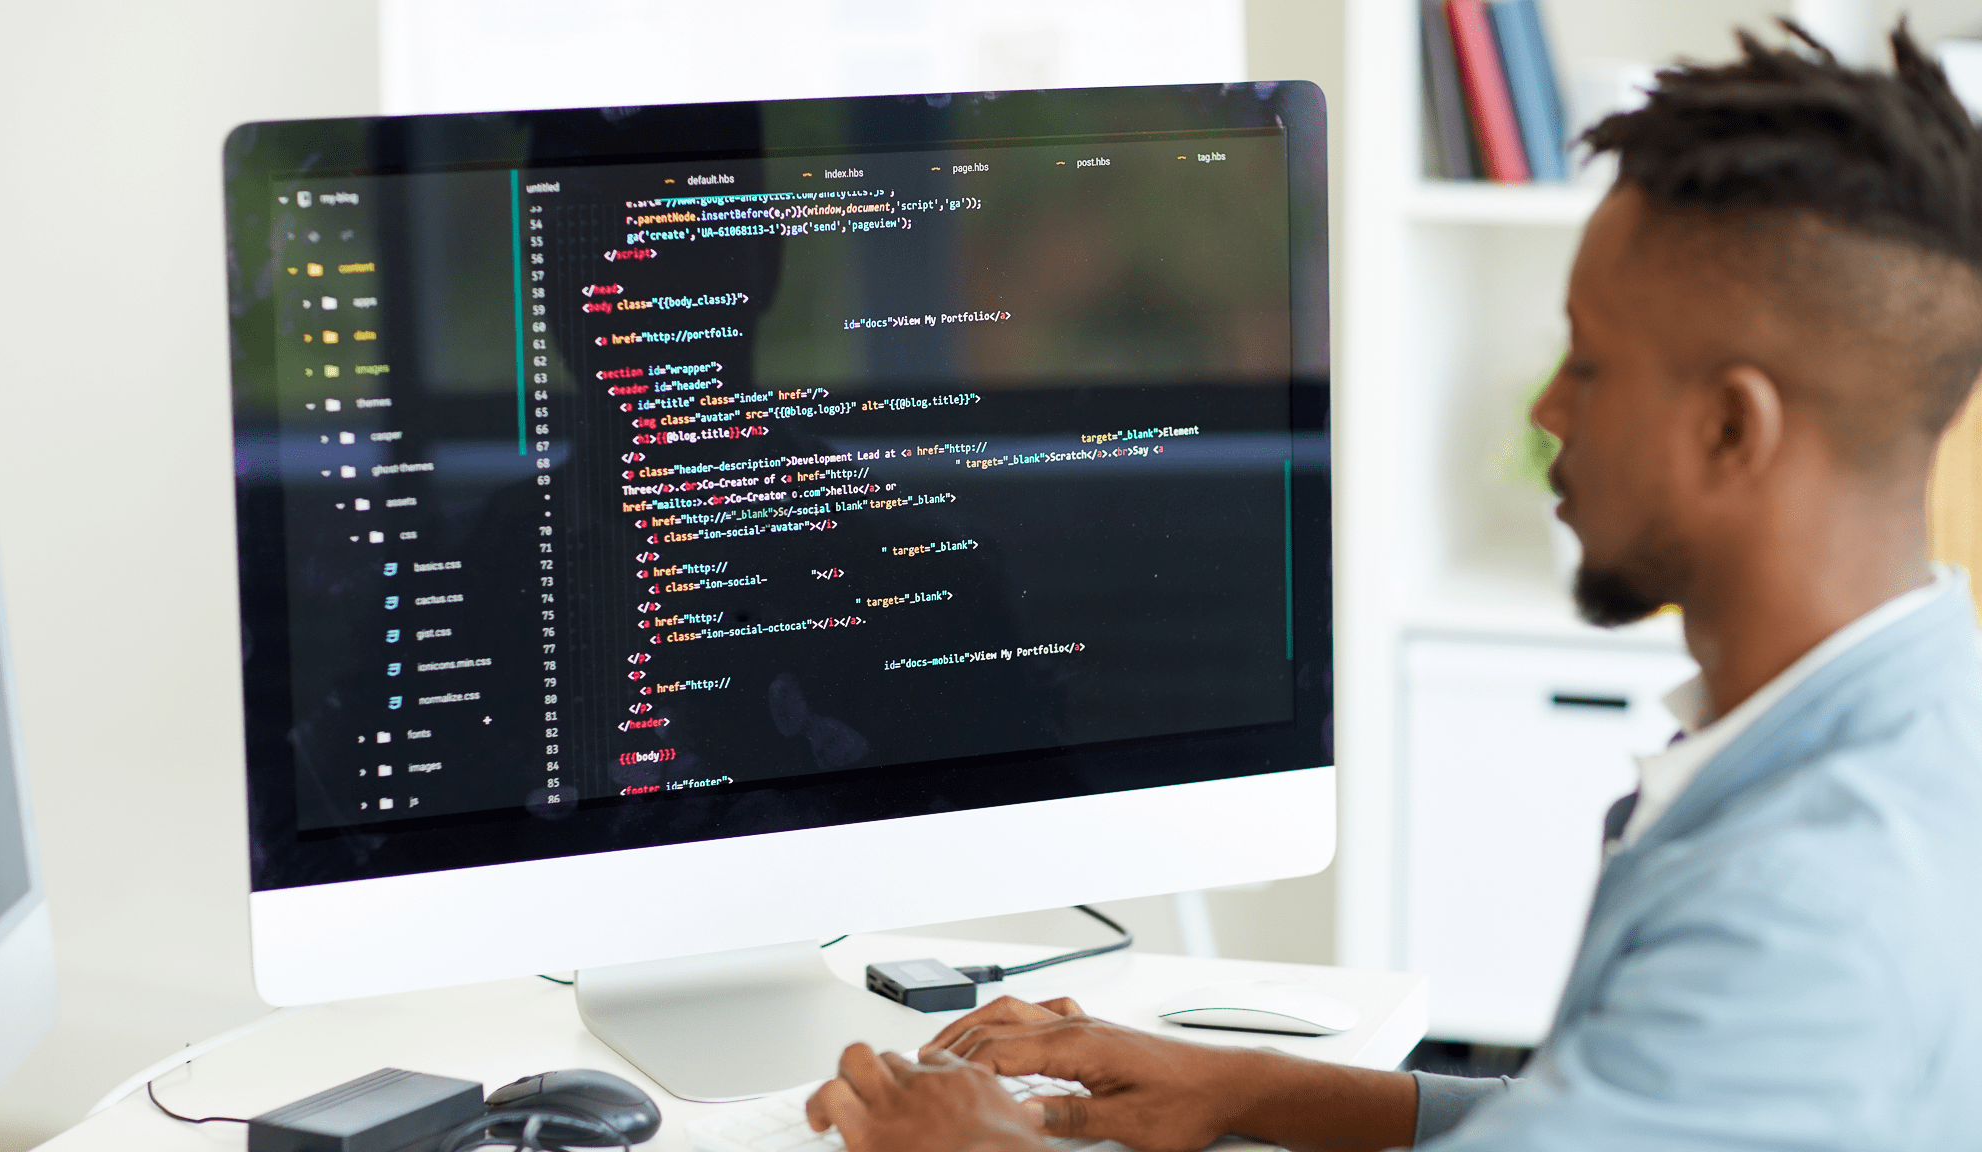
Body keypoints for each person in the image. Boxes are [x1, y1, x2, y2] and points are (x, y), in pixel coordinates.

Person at [800, 20, 1982, 1151]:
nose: (1544, 411)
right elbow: (1612, 1118)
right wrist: (1238, 1082)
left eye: (1589, 361)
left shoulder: (1803, 910)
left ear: (1732, 428)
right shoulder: (1909, 728)